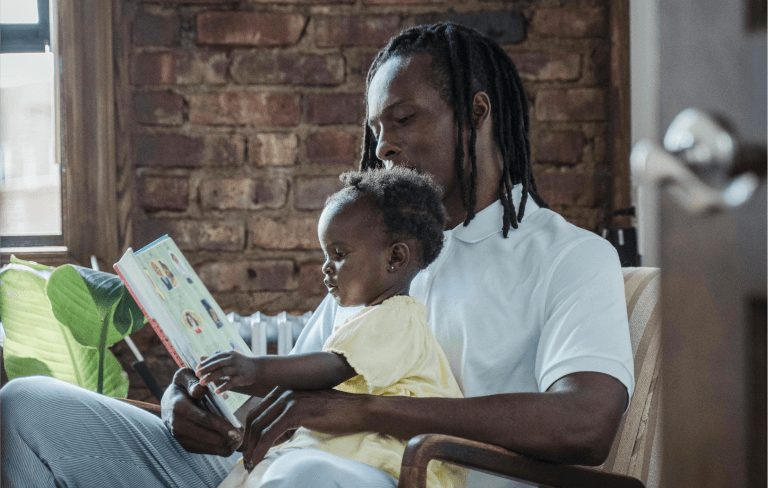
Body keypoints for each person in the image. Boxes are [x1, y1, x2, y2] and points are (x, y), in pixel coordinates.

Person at [0, 22, 633, 488]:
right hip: (279, 466)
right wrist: (190, 405)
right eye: (376, 130)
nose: (384, 148)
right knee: (28, 406)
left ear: (477, 113)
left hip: (397, 478)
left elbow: (585, 422)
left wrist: (370, 412)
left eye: (405, 119)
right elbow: (294, 386)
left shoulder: (569, 257)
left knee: (306, 476)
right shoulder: (380, 251)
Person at [207, 167, 465, 488]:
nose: (326, 267)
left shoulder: (397, 318)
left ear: (395, 258)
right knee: (249, 473)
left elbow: (329, 369)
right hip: (343, 461)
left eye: (339, 254)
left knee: (286, 473)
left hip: (387, 469)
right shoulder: (369, 318)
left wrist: (252, 369)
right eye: (325, 254)